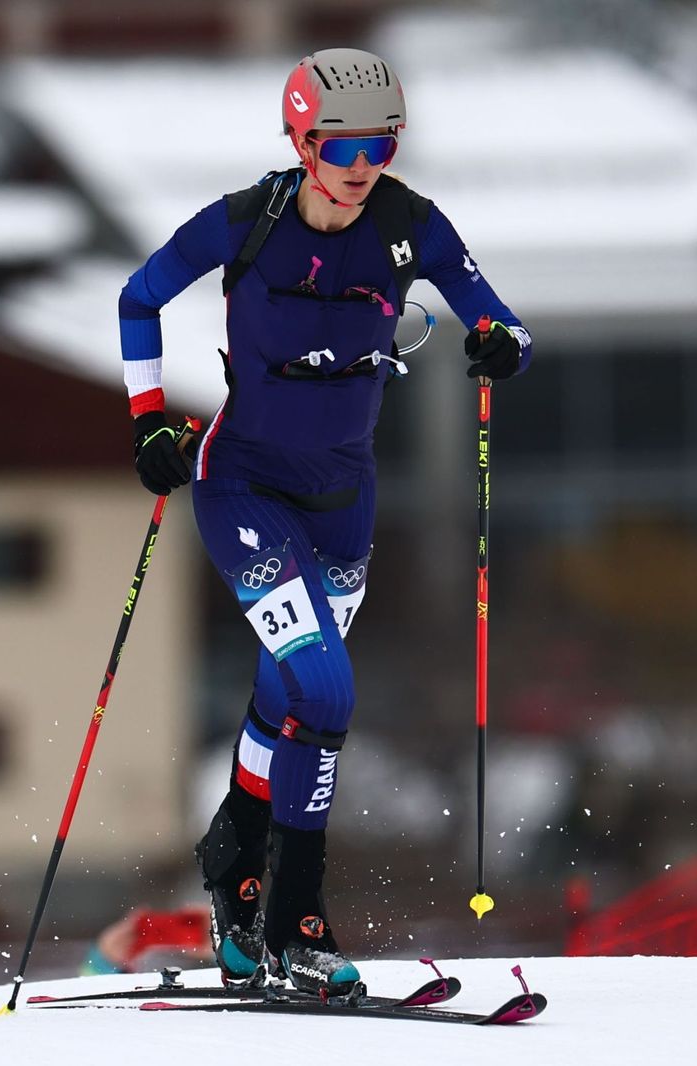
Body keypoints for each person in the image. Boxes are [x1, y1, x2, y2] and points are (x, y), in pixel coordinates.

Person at [118, 49, 532, 994]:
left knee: (284, 698)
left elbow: (501, 318)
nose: (362, 162)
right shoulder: (246, 223)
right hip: (244, 490)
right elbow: (138, 298)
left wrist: (501, 346)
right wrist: (147, 423)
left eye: (380, 143)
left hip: (344, 499)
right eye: (341, 143)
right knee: (328, 692)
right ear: (303, 139)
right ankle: (300, 923)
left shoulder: (409, 225)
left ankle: (234, 869)